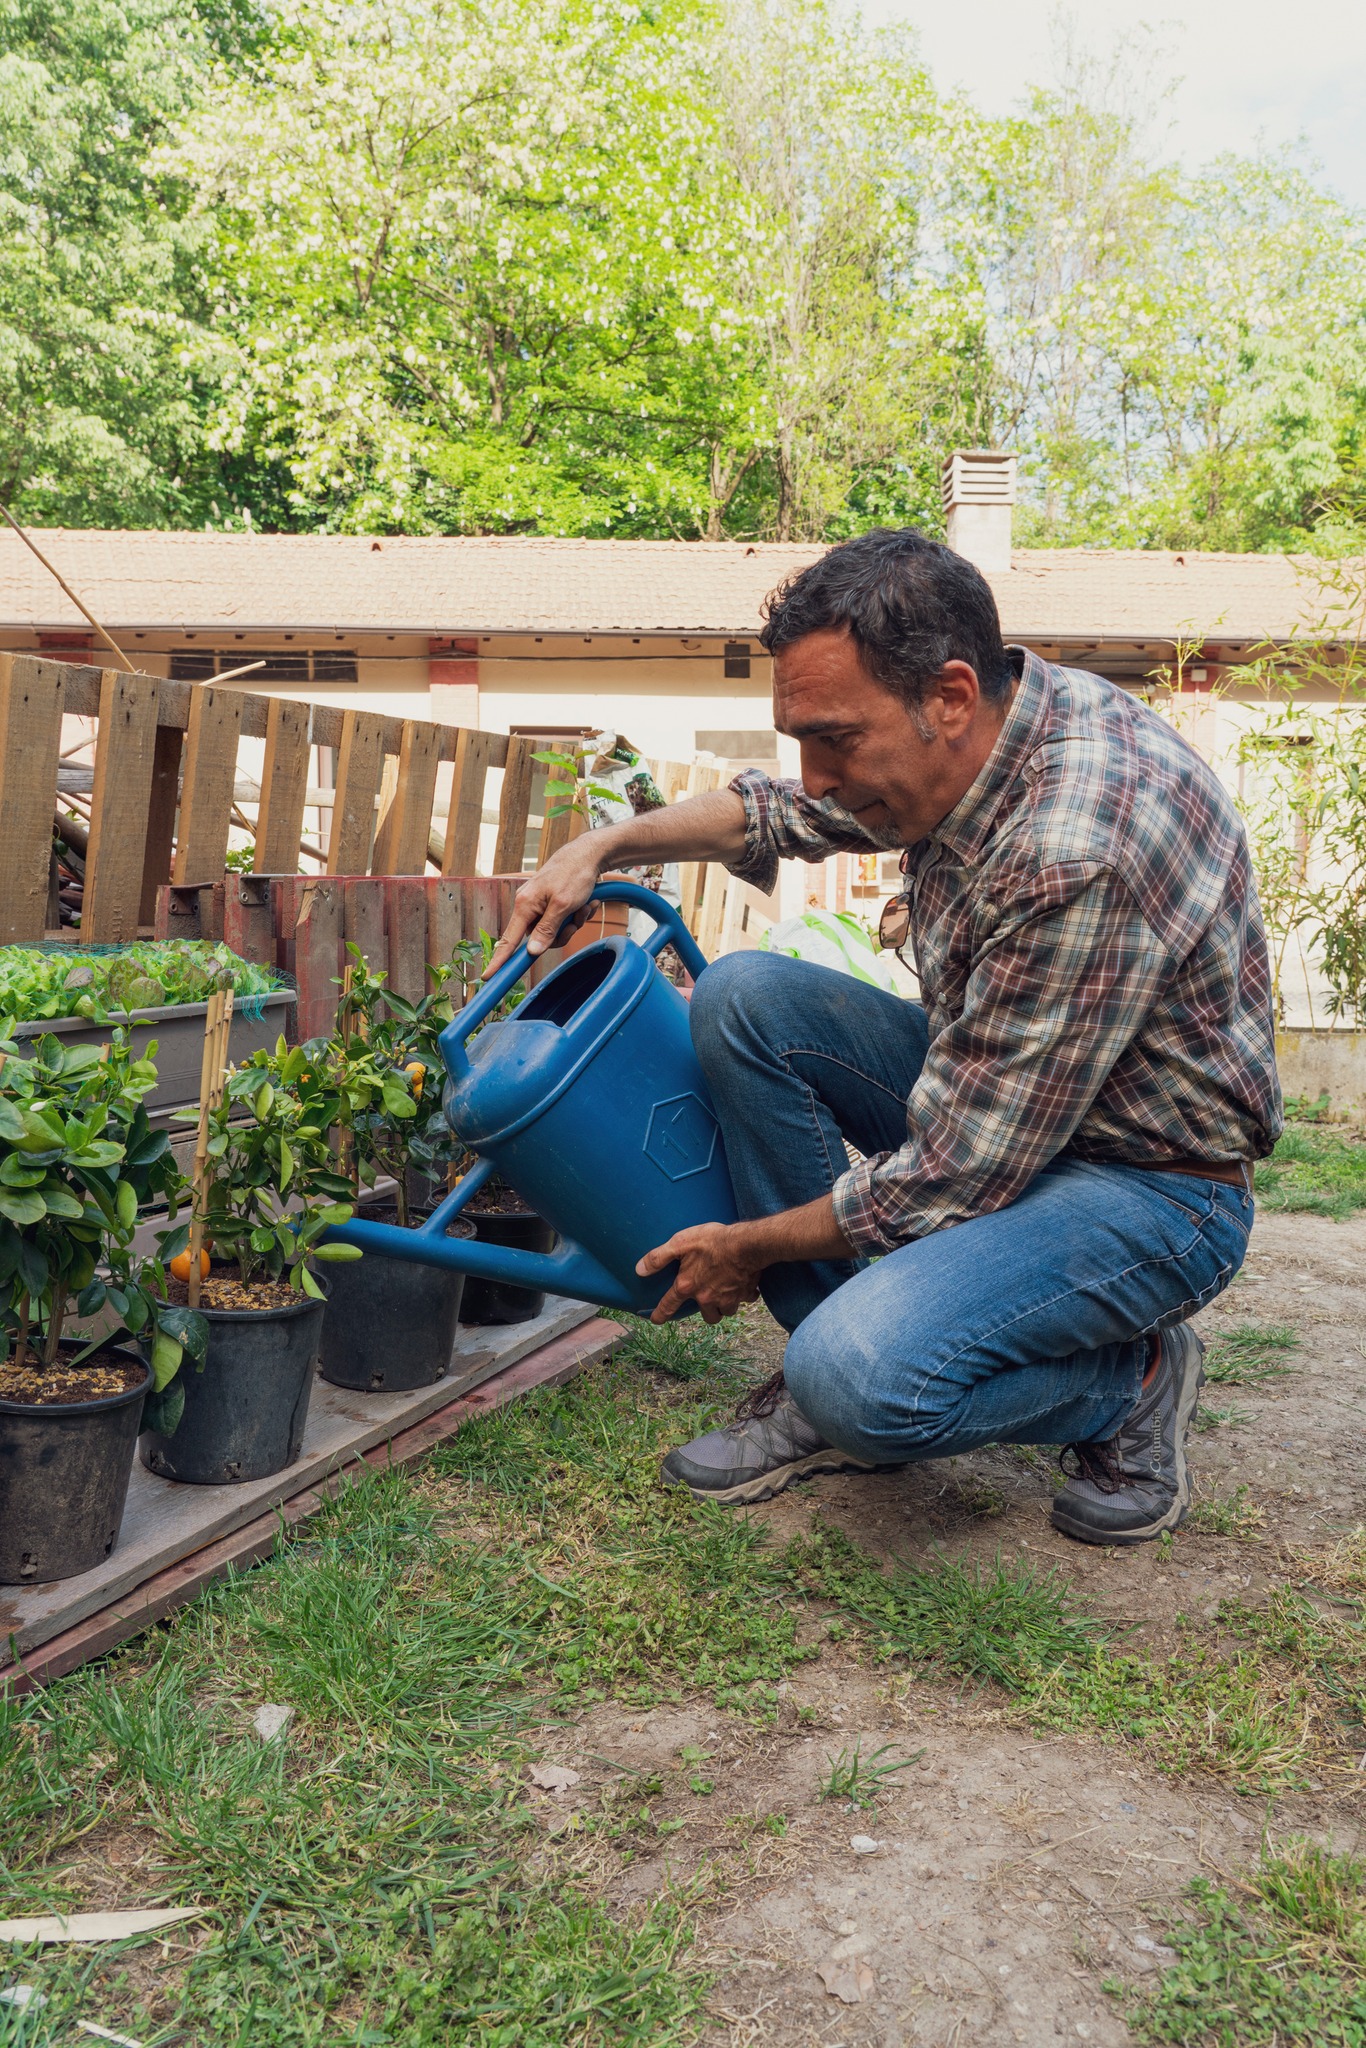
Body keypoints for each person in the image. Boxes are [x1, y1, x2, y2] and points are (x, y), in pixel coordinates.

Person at [487, 529, 1282, 1546]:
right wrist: (605, 843)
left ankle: (1125, 1380)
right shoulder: (978, 730)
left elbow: (951, 1176)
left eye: (834, 739)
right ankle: (837, 1339)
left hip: (1151, 1184)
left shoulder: (1078, 840)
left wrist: (746, 1246)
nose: (814, 776)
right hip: (1017, 1109)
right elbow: (774, 816)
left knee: (860, 1378)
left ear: (947, 696)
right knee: (740, 994)